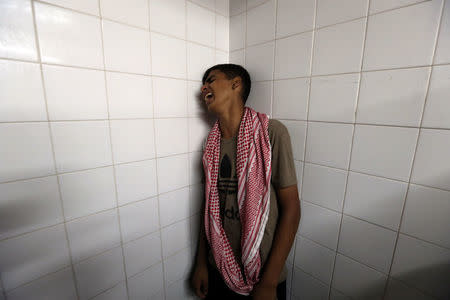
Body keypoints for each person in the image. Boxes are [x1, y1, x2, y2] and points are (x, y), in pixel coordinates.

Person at [191, 64, 300, 300]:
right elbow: (208, 209)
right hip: (218, 268)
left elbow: (292, 208)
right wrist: (201, 263)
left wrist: (270, 282)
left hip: (264, 276)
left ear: (236, 84)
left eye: (211, 79)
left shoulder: (271, 133)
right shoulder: (210, 145)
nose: (204, 87)